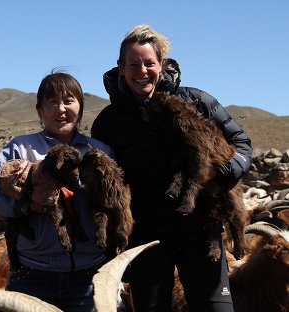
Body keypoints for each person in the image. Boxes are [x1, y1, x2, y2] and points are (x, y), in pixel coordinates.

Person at [91, 24, 253, 312]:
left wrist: (221, 172)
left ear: (161, 64)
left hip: (202, 235)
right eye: (134, 64)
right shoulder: (108, 122)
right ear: (120, 67)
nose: (142, 71)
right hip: (146, 242)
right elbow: (104, 182)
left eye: (149, 63)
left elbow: (241, 144)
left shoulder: (198, 102)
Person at [0, 71, 113, 312]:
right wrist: (26, 205)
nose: (61, 109)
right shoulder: (21, 148)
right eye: (52, 102)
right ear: (40, 110)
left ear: (80, 106)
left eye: (69, 101)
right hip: (33, 275)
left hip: (89, 276)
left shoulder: (99, 151)